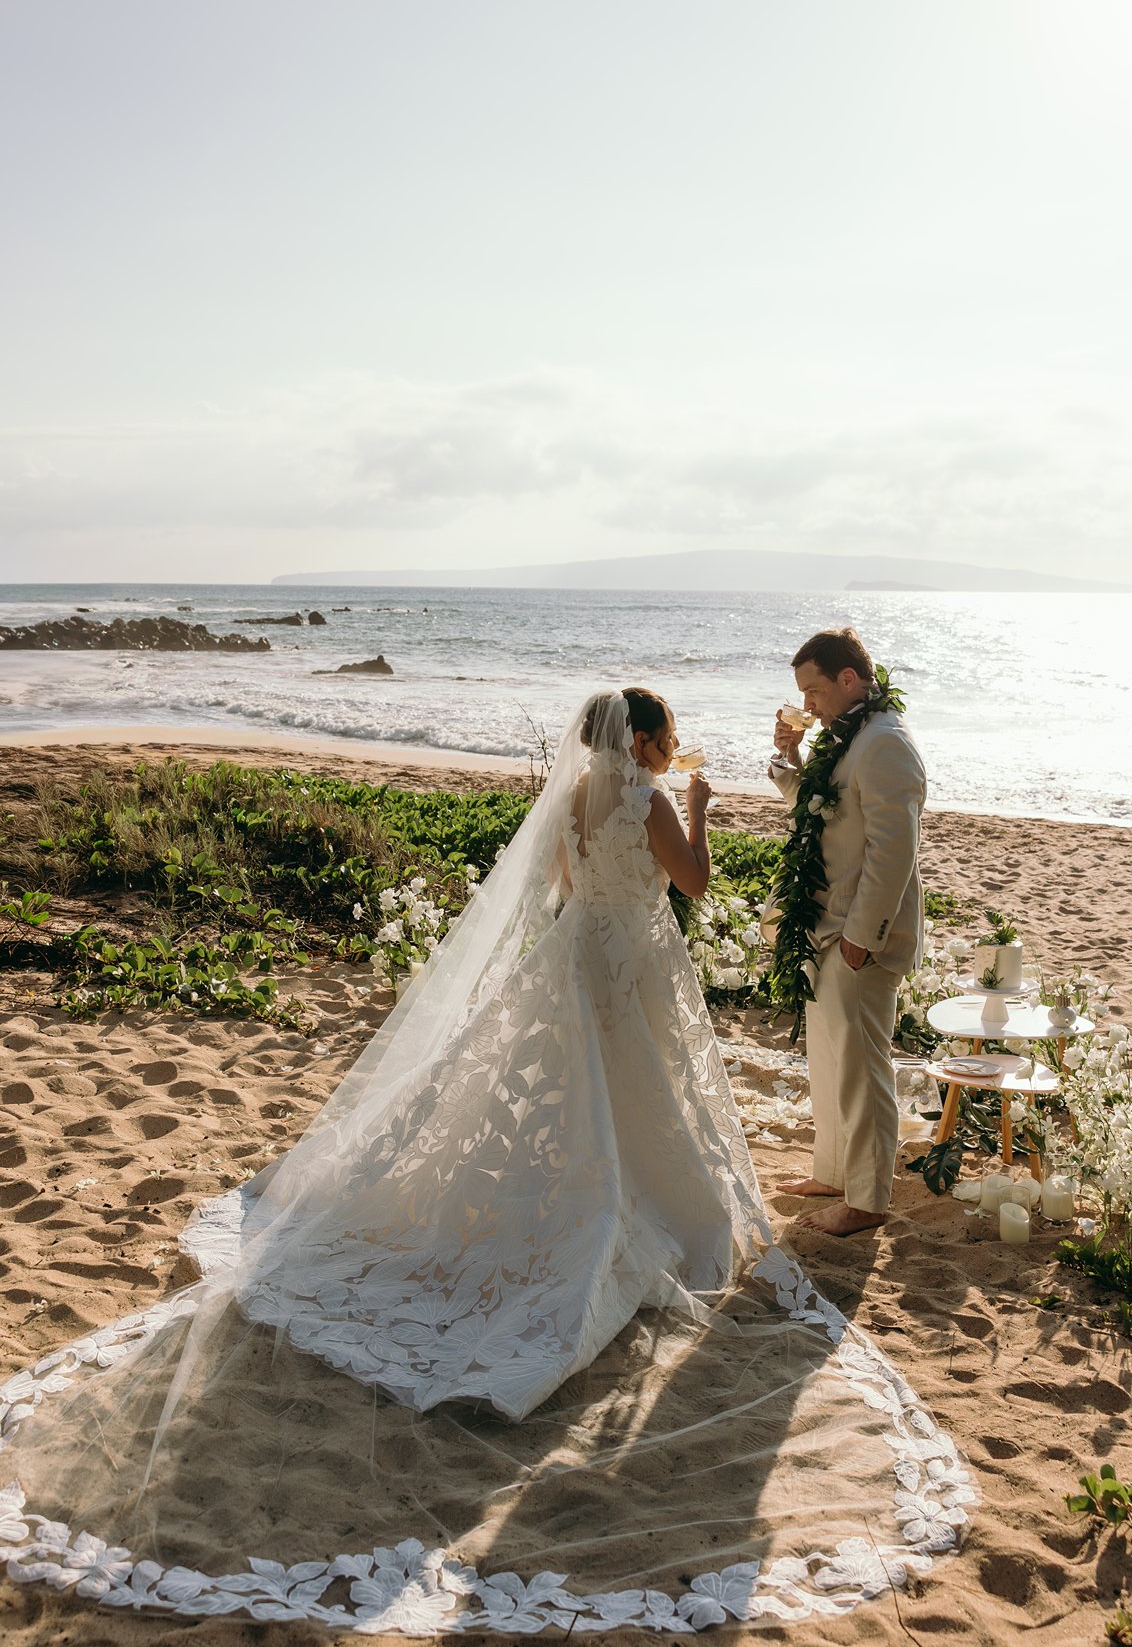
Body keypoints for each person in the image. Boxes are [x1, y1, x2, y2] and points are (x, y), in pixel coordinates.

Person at [0, 687, 970, 1631]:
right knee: (641, 1093)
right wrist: (703, 812)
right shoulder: (648, 796)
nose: (668, 750)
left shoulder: (575, 799)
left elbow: (555, 887)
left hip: (577, 953)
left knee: (571, 1099)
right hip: (634, 955)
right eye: (664, 737)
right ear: (643, 742)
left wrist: (606, 885)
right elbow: (697, 885)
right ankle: (632, 1216)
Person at [768, 629, 926, 1237]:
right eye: (801, 693)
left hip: (861, 933)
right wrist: (790, 761)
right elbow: (822, 808)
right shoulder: (849, 735)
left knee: (863, 1066)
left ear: (849, 681)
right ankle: (834, 1173)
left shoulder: (886, 743)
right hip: (826, 924)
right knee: (830, 1060)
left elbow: (895, 853)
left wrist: (865, 935)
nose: (807, 704)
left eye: (813, 691)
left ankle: (867, 1200)